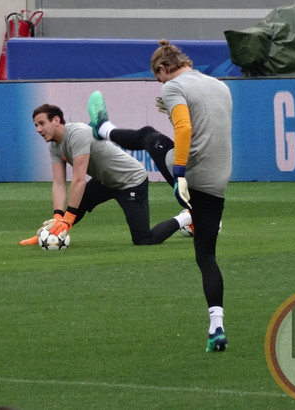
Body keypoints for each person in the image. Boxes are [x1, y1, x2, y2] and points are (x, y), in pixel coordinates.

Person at [88, 39, 232, 352]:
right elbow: (208, 127)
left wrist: (179, 174)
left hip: (189, 174)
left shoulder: (173, 88)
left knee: (147, 136)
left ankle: (103, 128)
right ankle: (216, 327)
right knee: (206, 257)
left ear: (164, 68)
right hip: (218, 181)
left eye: (159, 78)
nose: (161, 85)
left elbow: (184, 129)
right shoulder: (220, 86)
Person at [19, 104, 192, 246]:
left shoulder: (77, 133)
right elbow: (59, 183)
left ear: (56, 120)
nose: (38, 129)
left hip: (131, 181)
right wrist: (58, 217)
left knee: (144, 240)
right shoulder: (54, 146)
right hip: (104, 181)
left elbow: (79, 180)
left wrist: (68, 218)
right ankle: (48, 235)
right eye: (36, 125)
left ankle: (187, 217)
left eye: (41, 123)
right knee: (73, 208)